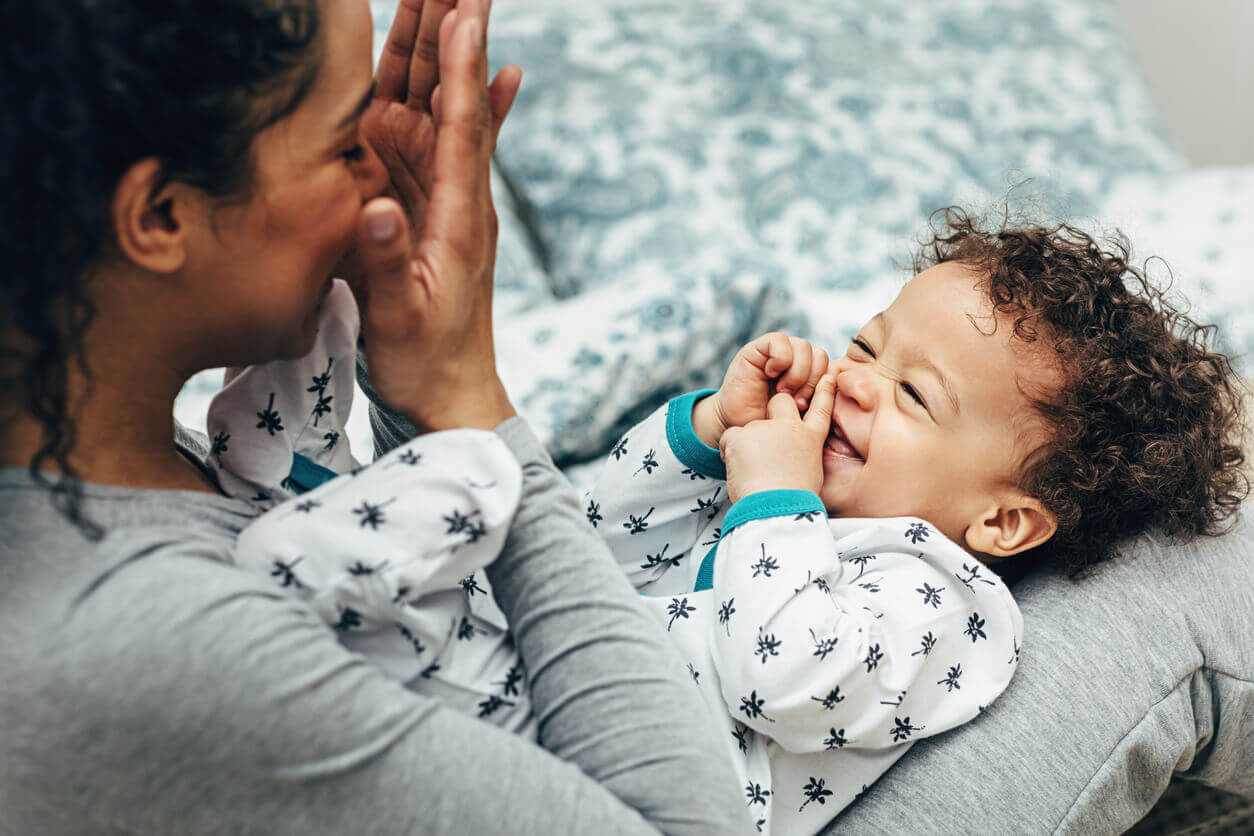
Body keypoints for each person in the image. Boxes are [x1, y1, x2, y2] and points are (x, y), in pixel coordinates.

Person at [215, 210, 1248, 834]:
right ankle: (298, 460)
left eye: (914, 396)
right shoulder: (796, 502)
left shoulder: (946, 608)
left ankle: (302, 550)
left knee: (469, 500)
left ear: (1004, 520)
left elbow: (781, 673)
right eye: (866, 343)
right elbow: (587, 537)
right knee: (490, 529)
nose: (854, 382)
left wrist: (769, 495)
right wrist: (711, 435)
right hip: (555, 668)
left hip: (595, 779)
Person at [0, 0, 750, 832]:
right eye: (345, 146)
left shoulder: (106, 461)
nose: (376, 183)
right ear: (161, 215)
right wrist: (472, 409)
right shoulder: (156, 641)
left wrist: (416, 391)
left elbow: (415, 618)